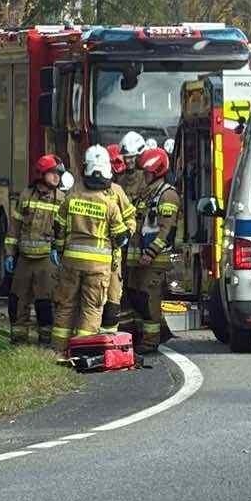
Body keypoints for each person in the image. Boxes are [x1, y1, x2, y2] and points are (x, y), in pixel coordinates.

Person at [50, 146, 129, 354]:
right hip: (99, 266)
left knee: (66, 305)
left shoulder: (73, 196)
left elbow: (58, 225)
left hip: (70, 262)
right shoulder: (109, 203)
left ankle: (59, 351)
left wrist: (59, 248)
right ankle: (83, 352)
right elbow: (121, 236)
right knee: (91, 308)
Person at [4, 155, 66, 344]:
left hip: (47, 261)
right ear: (41, 174)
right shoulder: (26, 195)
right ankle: (18, 340)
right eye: (52, 173)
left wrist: (59, 250)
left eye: (59, 174)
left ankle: (45, 341)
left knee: (45, 303)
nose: (57, 177)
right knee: (17, 300)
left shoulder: (62, 199)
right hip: (24, 260)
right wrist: (9, 253)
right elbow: (14, 227)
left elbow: (64, 230)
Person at [126, 147, 181, 354]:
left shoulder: (167, 195)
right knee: (138, 299)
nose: (144, 176)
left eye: (147, 172)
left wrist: (150, 253)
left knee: (150, 301)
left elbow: (167, 230)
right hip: (138, 259)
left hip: (153, 260)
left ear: (157, 171)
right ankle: (147, 335)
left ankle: (151, 341)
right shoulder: (147, 193)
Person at [101, 144, 138, 333]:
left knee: (115, 297)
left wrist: (127, 234)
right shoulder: (82, 191)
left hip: (116, 254)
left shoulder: (117, 189)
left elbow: (130, 216)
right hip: (96, 257)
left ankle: (115, 338)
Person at [116, 130, 148, 208]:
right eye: (126, 157)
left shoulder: (148, 178)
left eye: (132, 157)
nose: (128, 161)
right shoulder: (119, 179)